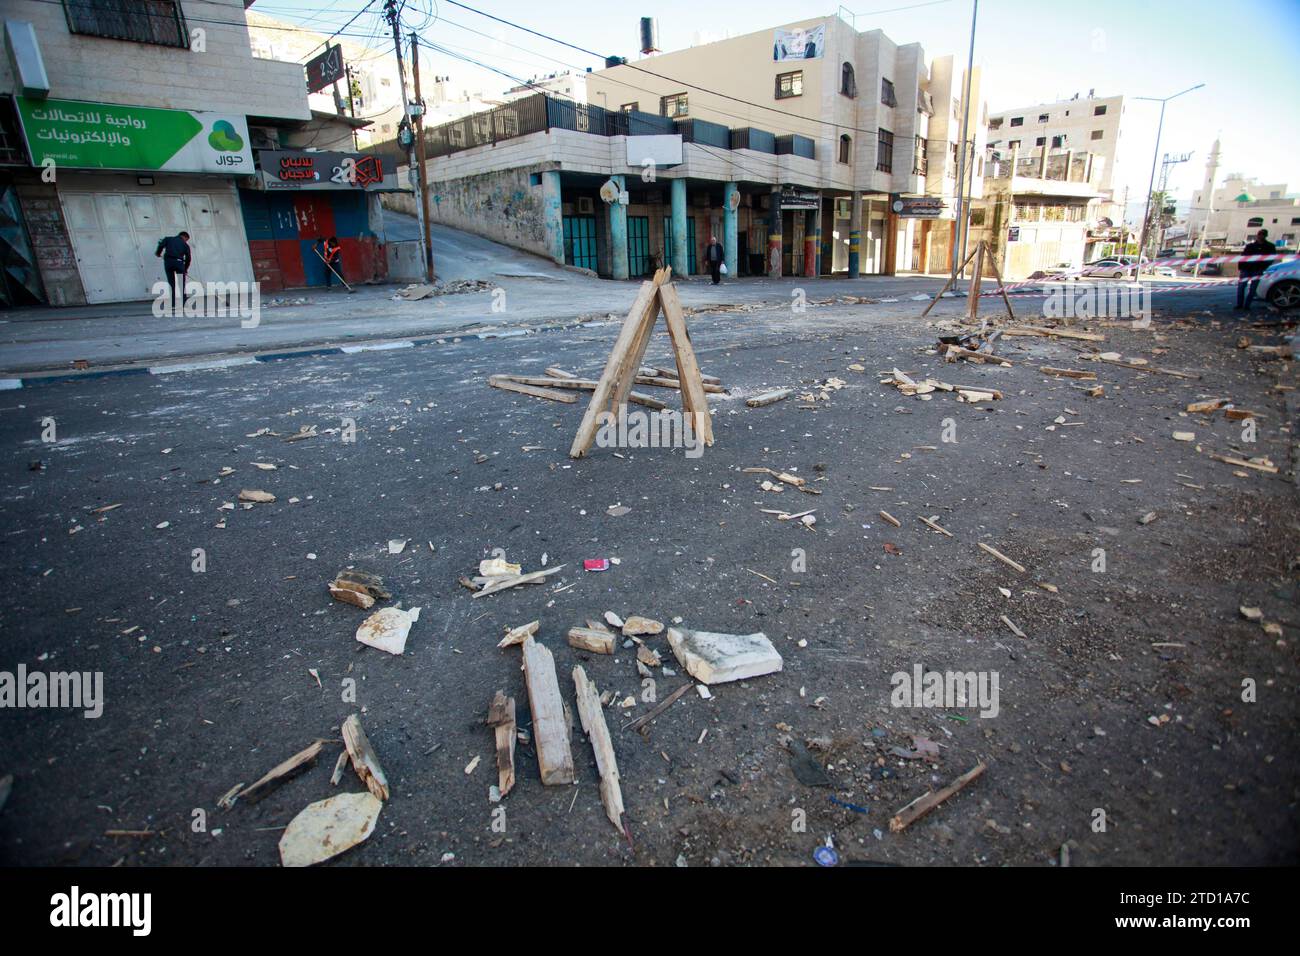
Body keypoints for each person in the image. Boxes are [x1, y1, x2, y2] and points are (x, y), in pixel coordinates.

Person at [1236, 228, 1276, 310]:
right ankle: (1239, 305)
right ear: (1257, 235)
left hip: (1258, 269)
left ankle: (1247, 306)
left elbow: (1271, 258)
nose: (1260, 236)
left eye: (1262, 235)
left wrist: (1263, 267)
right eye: (1259, 234)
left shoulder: (1270, 246)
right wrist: (1241, 268)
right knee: (1241, 287)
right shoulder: (1250, 246)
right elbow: (1243, 256)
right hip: (1246, 269)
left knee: (1253, 289)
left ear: (1265, 236)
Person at [154, 231, 190, 310]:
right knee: (181, 284)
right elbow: (188, 258)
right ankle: (184, 303)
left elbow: (161, 245)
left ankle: (173, 304)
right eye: (186, 239)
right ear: (184, 237)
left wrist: (158, 253)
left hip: (168, 263)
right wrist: (185, 269)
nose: (186, 241)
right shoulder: (185, 245)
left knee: (171, 284)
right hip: (179, 264)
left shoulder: (168, 239)